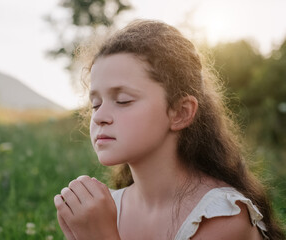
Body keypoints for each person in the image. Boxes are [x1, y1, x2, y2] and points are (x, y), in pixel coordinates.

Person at [54, 20, 285, 239]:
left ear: (181, 112)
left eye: (123, 100)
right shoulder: (103, 210)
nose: (100, 117)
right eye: (95, 104)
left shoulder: (220, 217)